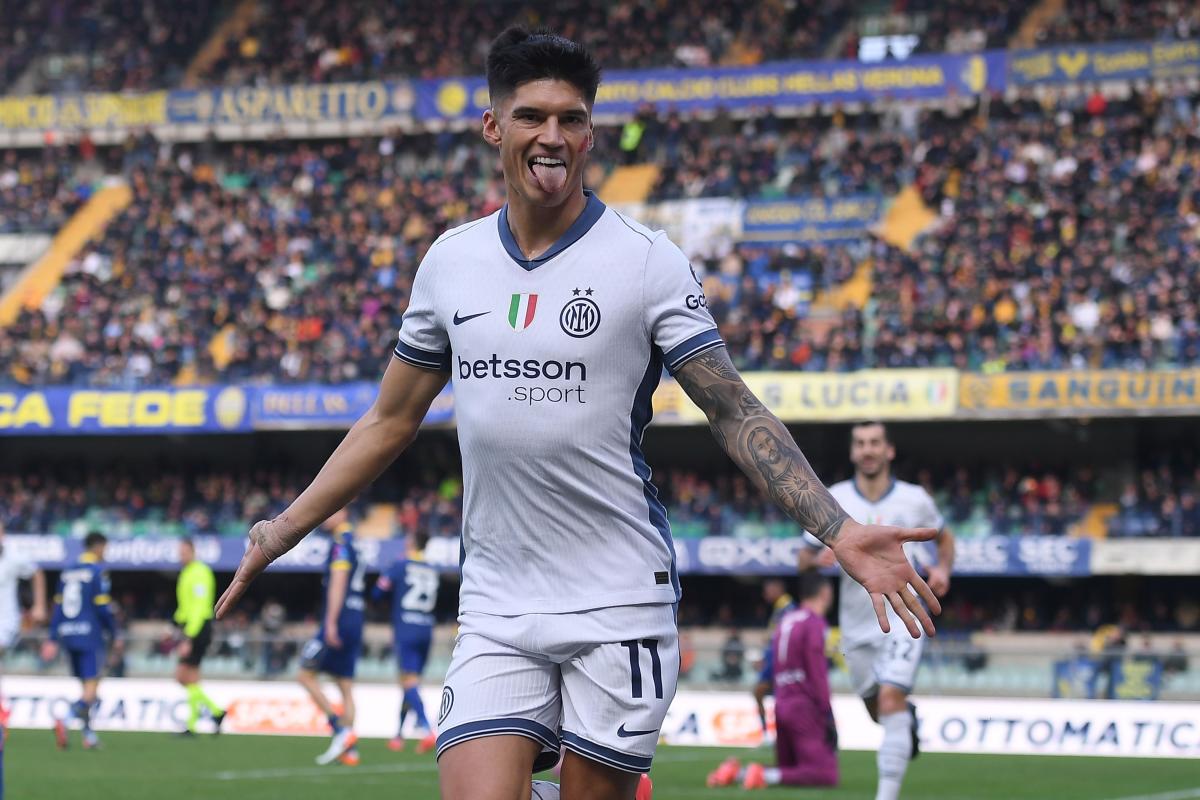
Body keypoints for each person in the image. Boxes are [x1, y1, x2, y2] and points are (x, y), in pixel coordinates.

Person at [215, 27, 940, 800]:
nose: (552, 136)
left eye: (571, 119)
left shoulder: (646, 260)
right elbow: (389, 421)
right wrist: (282, 529)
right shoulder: (451, 263)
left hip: (619, 596)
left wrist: (838, 528)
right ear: (493, 126)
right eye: (531, 116)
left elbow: (731, 409)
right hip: (497, 599)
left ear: (591, 134)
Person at [800, 421, 955, 800]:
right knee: (877, 711)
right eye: (860, 443)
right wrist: (817, 560)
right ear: (852, 452)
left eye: (874, 443)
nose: (867, 450)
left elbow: (944, 537)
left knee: (889, 699)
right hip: (856, 626)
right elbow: (803, 557)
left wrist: (943, 570)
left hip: (904, 614)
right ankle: (906, 719)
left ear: (889, 451)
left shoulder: (914, 499)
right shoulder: (833, 498)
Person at [709, 571, 837, 789]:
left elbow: (774, 662)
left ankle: (738, 773)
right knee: (825, 775)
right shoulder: (814, 623)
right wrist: (827, 713)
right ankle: (762, 776)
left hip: (781, 704)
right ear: (825, 593)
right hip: (804, 706)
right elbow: (817, 672)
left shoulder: (786, 620)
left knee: (789, 768)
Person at [297, 509, 365, 766]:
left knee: (304, 674)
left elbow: (338, 581)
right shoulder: (355, 542)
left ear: (343, 513)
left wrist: (330, 622)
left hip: (341, 618)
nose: (325, 516)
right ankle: (350, 751)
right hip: (356, 617)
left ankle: (339, 730)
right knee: (345, 685)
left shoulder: (340, 544)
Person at [44, 532, 119, 750]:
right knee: (92, 687)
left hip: (68, 634)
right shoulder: (97, 571)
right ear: (98, 547)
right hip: (90, 634)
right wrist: (115, 632)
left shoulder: (68, 571)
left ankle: (88, 735)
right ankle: (66, 719)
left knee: (86, 687)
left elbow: (58, 607)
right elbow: (102, 607)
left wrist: (52, 637)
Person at [372, 530, 439, 753]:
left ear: (411, 542)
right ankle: (399, 735)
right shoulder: (431, 569)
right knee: (409, 683)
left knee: (408, 681)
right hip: (426, 628)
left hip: (406, 628)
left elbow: (377, 593)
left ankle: (427, 729)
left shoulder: (400, 565)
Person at [173, 538, 225, 736]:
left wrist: (189, 637)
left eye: (184, 552)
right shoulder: (187, 572)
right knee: (190, 678)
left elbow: (199, 607)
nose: (181, 556)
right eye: (180, 552)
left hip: (199, 627)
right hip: (191, 627)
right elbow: (185, 606)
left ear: (193, 552)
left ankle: (209, 715)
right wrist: (174, 624)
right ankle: (212, 714)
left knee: (183, 676)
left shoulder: (200, 572)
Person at [0, 522, 48, 727]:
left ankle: (2, 709)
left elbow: (36, 573)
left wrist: (39, 605)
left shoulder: (13, 555)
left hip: (5, 622)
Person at [752, 578, 796, 742]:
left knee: (764, 693)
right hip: (772, 659)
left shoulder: (787, 608)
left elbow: (783, 637)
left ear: (778, 589)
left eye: (768, 590)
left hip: (778, 661)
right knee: (761, 693)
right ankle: (770, 734)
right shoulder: (780, 607)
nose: (765, 594)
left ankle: (773, 734)